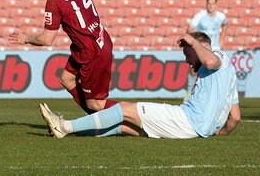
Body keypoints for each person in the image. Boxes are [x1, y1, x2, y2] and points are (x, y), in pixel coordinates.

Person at [39, 32, 241, 139]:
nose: (187, 61)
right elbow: (235, 118)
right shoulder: (230, 77)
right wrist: (219, 133)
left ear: (198, 48)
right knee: (125, 127)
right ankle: (67, 131)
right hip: (195, 129)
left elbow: (211, 61)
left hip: (186, 120)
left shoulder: (220, 58)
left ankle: (64, 126)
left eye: (187, 54)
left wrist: (193, 42)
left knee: (124, 109)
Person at [9, 0, 117, 114]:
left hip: (92, 51)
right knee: (67, 80)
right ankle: (99, 122)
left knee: (96, 105)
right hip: (98, 38)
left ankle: (137, 116)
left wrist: (26, 39)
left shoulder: (54, 1)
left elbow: (47, 40)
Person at [185, 0, 228, 98]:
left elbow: (225, 25)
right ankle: (188, 93)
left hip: (215, 48)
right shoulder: (200, 16)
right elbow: (189, 29)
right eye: (208, 3)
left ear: (216, 5)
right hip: (201, 48)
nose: (210, 6)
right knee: (193, 69)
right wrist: (197, 39)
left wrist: (222, 39)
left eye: (213, 4)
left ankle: (213, 95)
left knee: (215, 71)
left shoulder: (221, 16)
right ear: (206, 4)